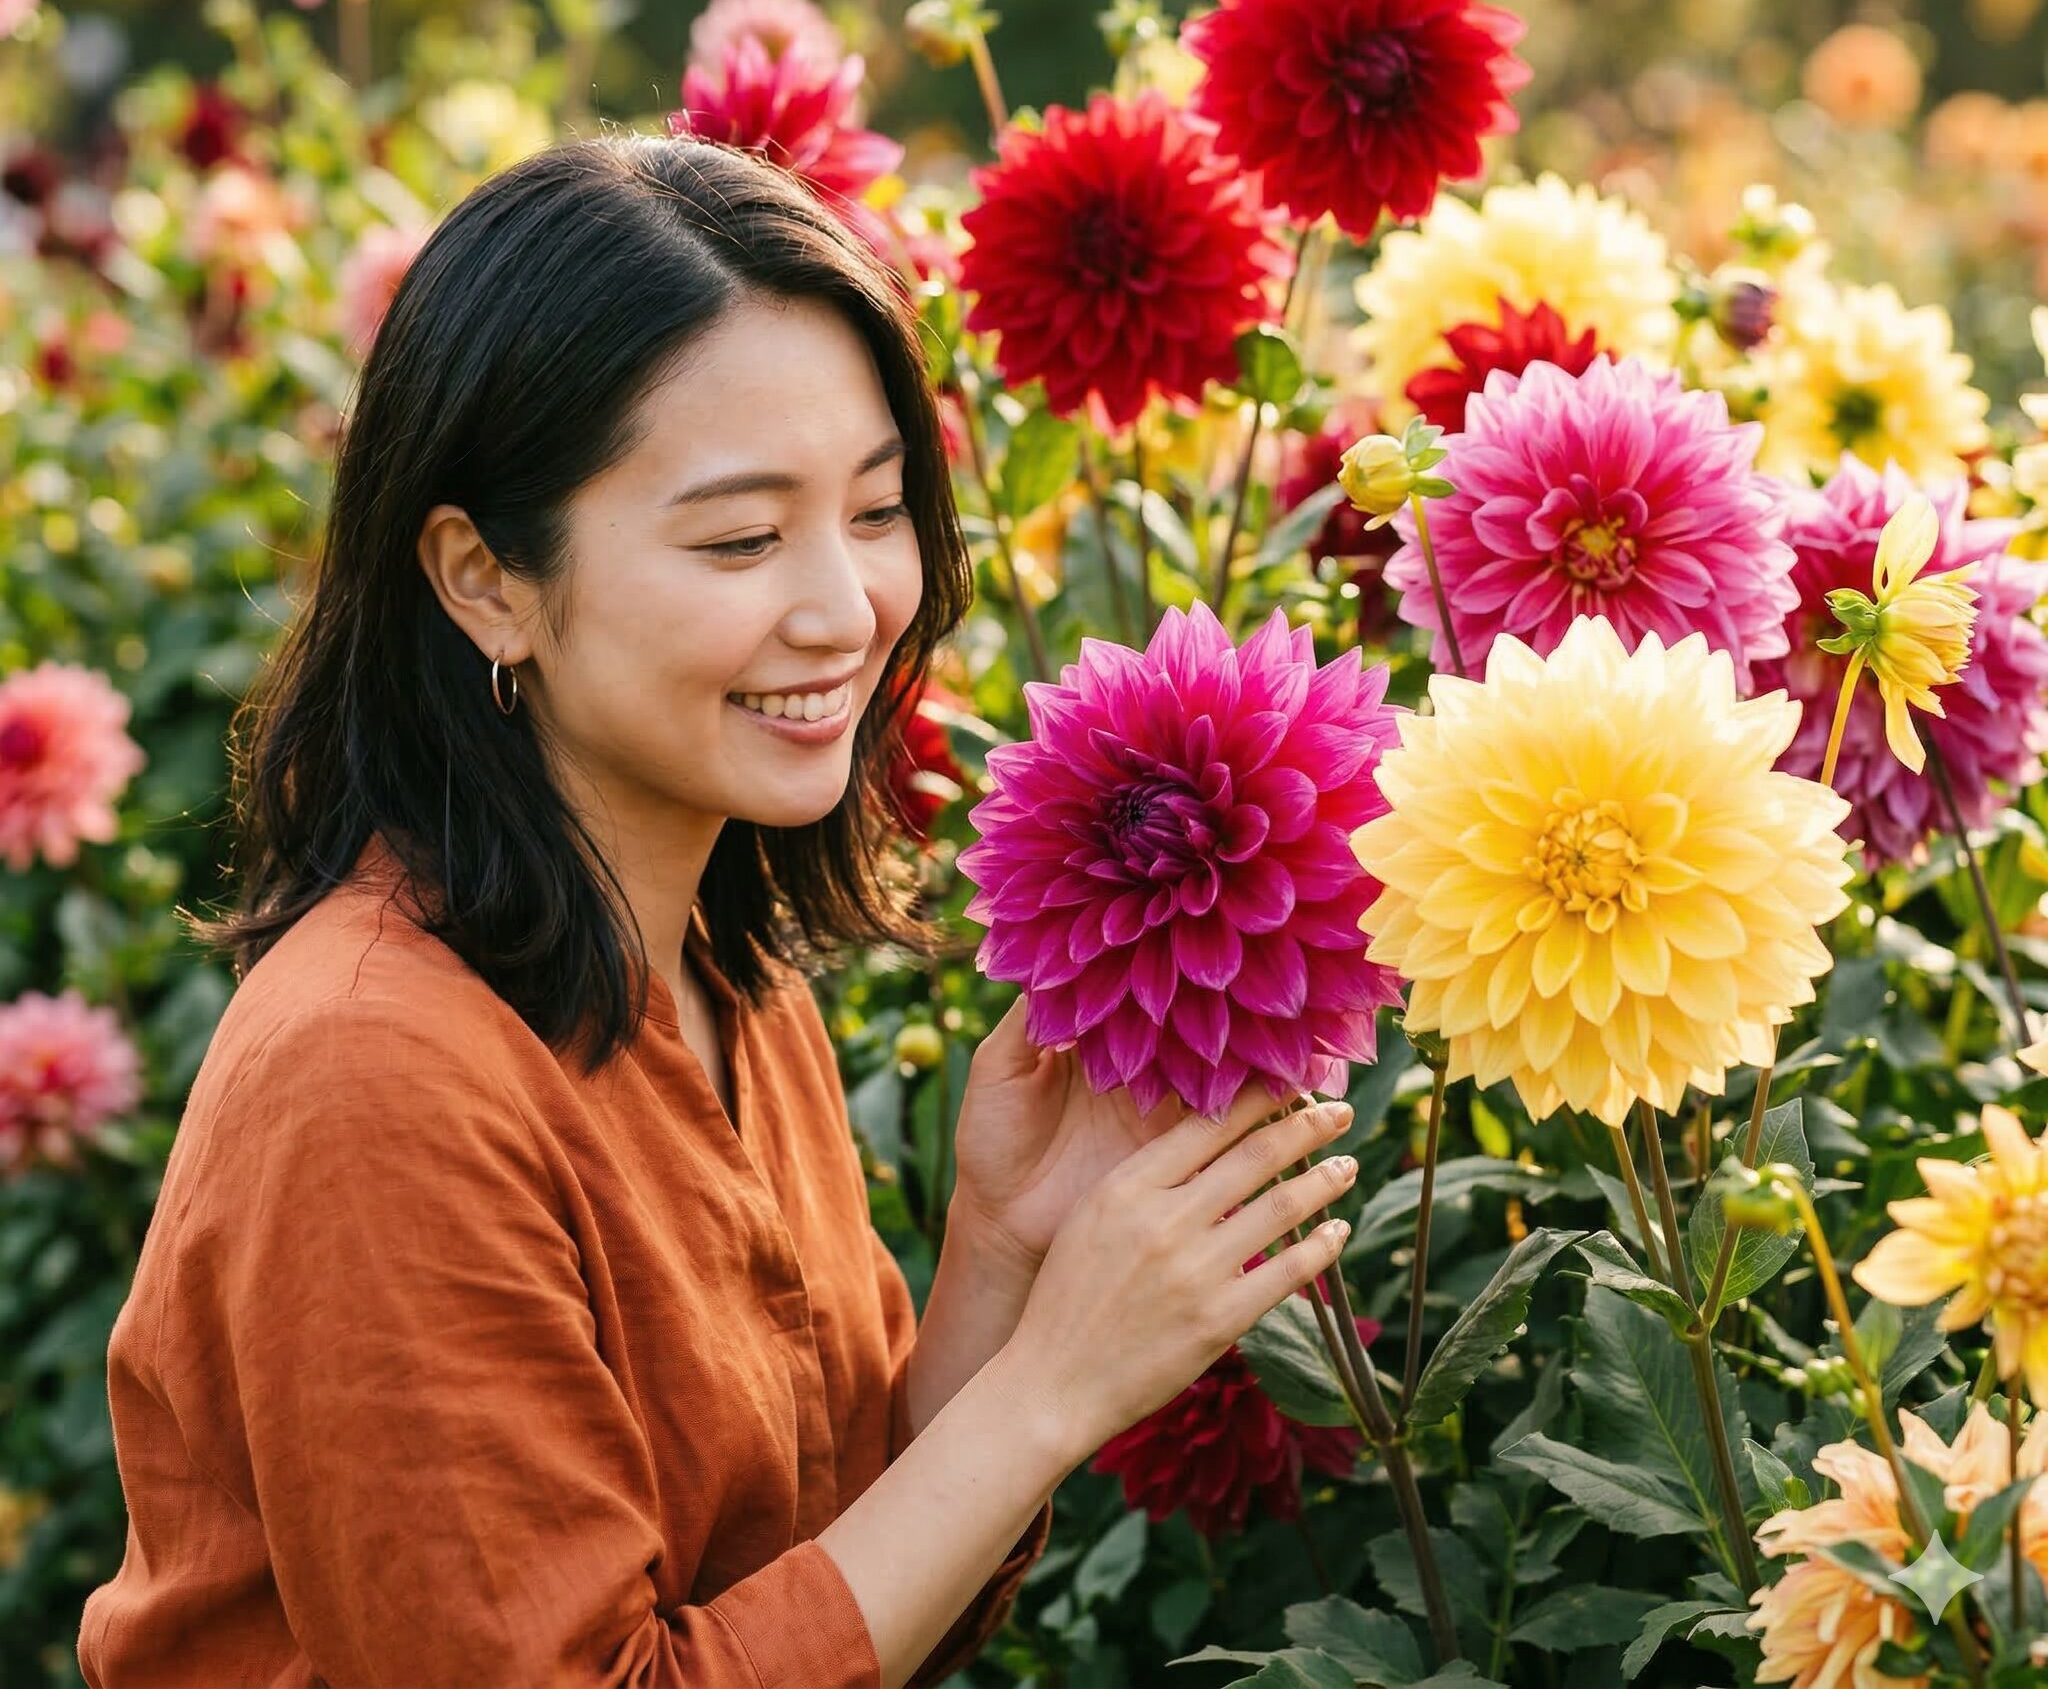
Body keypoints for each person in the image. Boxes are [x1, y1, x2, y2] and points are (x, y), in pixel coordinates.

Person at [77, 137, 1358, 1689]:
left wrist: (1008, 1249)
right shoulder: (374, 1077)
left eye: (878, 510)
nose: (845, 609)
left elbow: (836, 1596)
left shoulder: (722, 972)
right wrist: (1052, 1389)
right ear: (485, 579)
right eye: (742, 538)